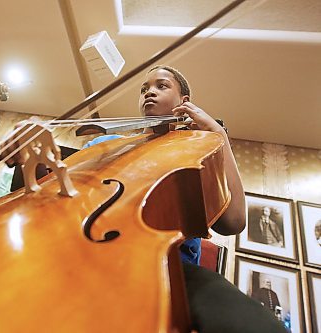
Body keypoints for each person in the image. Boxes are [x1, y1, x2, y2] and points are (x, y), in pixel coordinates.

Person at [80, 65, 286, 332]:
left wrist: (218, 136)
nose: (149, 93)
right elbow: (59, 196)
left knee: (252, 324)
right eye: (144, 89)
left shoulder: (193, 152)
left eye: (161, 86)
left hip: (169, 266)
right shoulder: (105, 144)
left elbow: (233, 221)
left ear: (184, 102)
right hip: (92, 254)